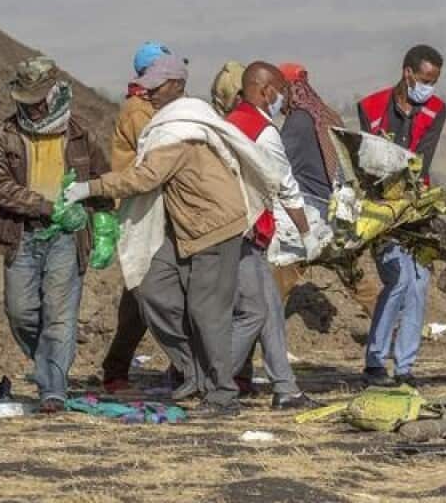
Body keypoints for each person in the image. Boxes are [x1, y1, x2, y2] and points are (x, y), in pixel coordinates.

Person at [68, 54, 277, 416]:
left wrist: (90, 188)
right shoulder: (170, 122)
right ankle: (194, 369)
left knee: (206, 311)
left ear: (177, 86)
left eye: (157, 87)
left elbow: (144, 177)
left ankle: (222, 394)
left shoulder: (180, 130)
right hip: (183, 226)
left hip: (213, 227)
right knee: (150, 285)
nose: (149, 94)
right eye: (147, 87)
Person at [0, 57, 110, 413]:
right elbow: (0, 186)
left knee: (59, 314)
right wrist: (46, 207)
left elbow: (101, 179)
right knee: (20, 312)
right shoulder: (7, 134)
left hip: (67, 239)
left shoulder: (80, 133)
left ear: (56, 93)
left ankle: (53, 389)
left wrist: (104, 223)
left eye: (39, 100)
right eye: (27, 102)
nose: (34, 109)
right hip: (22, 234)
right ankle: (47, 365)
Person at [224, 62, 321, 410]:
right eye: (279, 91)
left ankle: (286, 388)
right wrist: (307, 233)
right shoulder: (264, 133)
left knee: (271, 311)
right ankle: (213, 382)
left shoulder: (232, 122)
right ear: (266, 92)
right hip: (243, 233)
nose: (282, 99)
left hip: (235, 229)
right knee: (252, 312)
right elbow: (286, 187)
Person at [356, 45, 446, 387]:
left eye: (434, 81)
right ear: (408, 73)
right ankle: (376, 361)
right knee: (398, 280)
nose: (429, 88)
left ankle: (405, 366)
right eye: (425, 80)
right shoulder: (371, 107)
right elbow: (369, 159)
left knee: (419, 285)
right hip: (381, 207)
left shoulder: (436, 110)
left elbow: (421, 159)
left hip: (417, 207)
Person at [274, 63, 383, 315]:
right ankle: (388, 324)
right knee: (354, 276)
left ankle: (261, 335)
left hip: (310, 215)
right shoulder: (327, 115)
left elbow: (277, 166)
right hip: (336, 213)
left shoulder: (297, 122)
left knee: (280, 278)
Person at [100, 42, 172, 392]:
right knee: (141, 291)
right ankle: (116, 369)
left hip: (153, 206)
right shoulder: (139, 110)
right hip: (140, 209)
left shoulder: (146, 106)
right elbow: (157, 155)